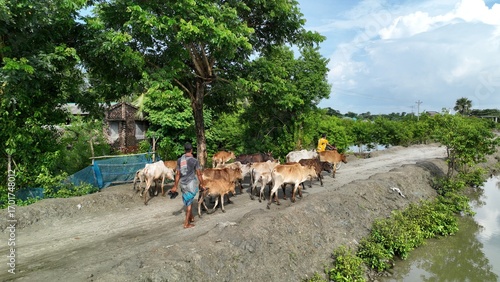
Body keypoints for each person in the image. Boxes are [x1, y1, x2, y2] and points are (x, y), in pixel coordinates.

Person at [170, 142, 204, 229]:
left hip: (182, 184)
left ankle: (191, 217)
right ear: (191, 150)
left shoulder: (179, 160)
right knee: (189, 203)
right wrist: (202, 184)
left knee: (188, 200)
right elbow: (199, 174)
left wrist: (175, 186)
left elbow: (177, 174)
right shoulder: (195, 161)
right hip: (191, 184)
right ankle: (186, 223)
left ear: (184, 150)